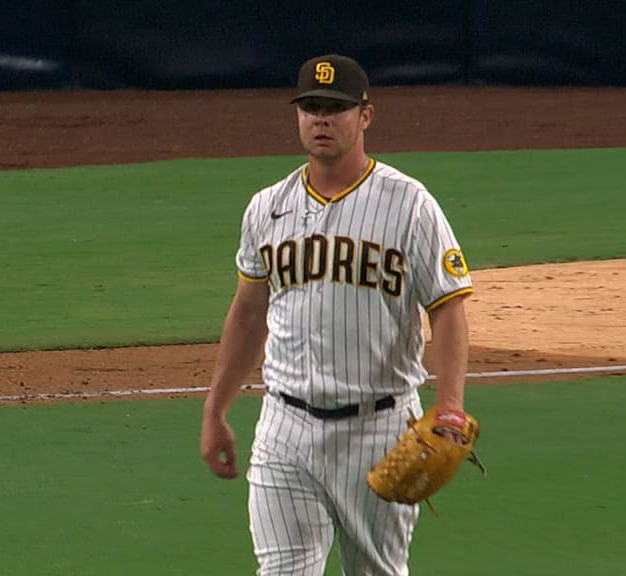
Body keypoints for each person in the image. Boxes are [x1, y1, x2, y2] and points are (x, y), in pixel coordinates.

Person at [200, 53, 473, 575]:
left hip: (379, 428)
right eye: (311, 108)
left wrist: (451, 406)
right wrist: (216, 410)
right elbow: (247, 315)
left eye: (336, 108)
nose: (321, 119)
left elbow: (449, 307)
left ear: (365, 116)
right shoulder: (266, 208)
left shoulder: (410, 205)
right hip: (284, 427)